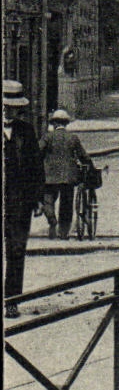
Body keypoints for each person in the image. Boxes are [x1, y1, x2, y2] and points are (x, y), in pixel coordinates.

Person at [3, 81, 46, 314]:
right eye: (5, 106)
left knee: (17, 250)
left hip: (19, 201)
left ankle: (12, 300)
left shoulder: (26, 131)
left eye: (13, 108)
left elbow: (36, 167)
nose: (9, 111)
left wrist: (38, 199)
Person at [40, 110, 91, 239]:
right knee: (66, 204)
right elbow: (83, 156)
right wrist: (91, 166)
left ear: (54, 123)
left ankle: (52, 220)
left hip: (49, 175)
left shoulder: (47, 137)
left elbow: (37, 152)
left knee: (48, 199)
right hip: (68, 176)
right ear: (66, 123)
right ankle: (63, 232)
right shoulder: (73, 138)